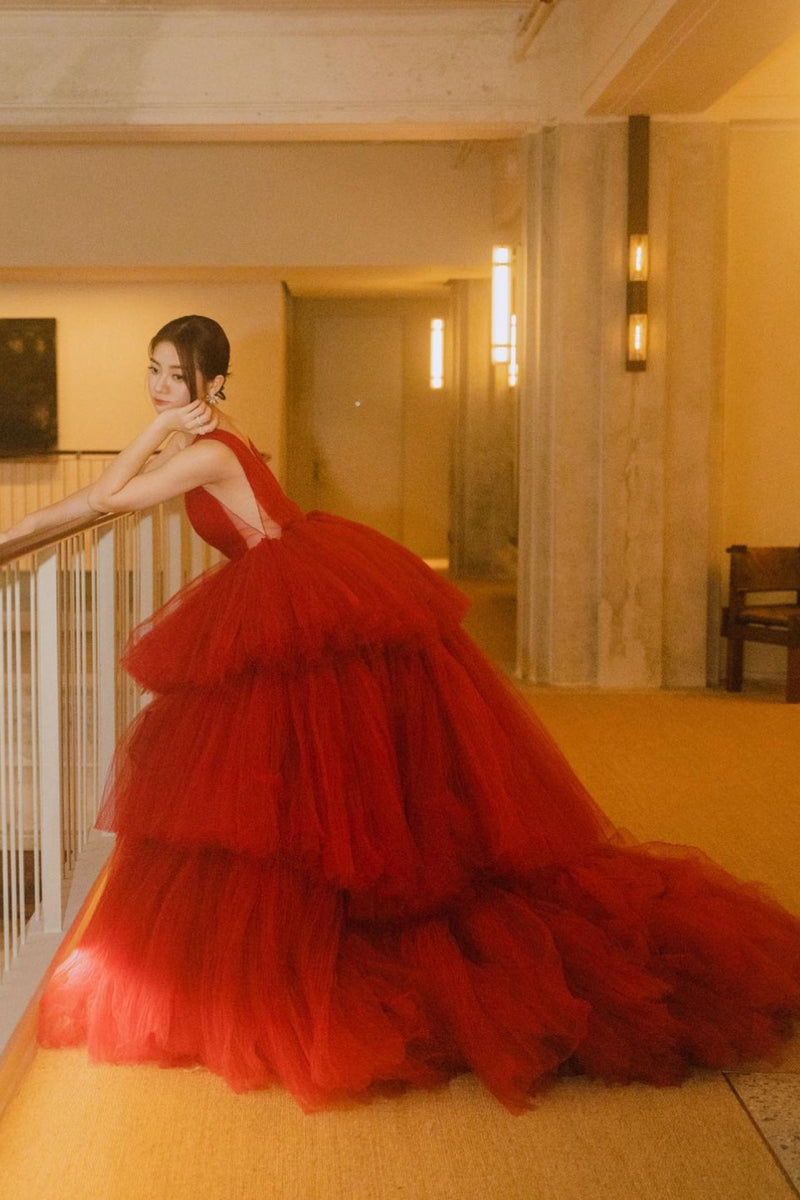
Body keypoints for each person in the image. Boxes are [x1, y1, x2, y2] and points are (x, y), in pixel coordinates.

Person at [4, 314, 799, 1114]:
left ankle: (326, 955)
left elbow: (113, 492)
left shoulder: (207, 447)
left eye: (175, 376)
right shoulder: (204, 444)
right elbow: (95, 503)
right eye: (153, 372)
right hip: (290, 592)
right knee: (292, 803)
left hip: (294, 607)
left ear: (212, 384)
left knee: (304, 805)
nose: (159, 388)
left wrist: (158, 427)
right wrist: (19, 530)